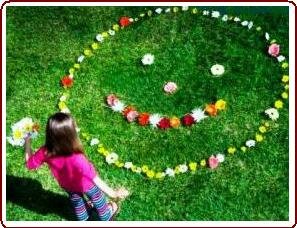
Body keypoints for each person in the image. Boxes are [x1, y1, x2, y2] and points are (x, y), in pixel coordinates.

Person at [24, 112, 129, 221]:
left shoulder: (45, 151)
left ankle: (84, 219)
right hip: (87, 185)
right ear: (71, 135)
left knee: (77, 202)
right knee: (97, 198)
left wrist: (27, 142)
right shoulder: (78, 158)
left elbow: (30, 164)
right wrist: (113, 193)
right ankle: (106, 216)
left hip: (67, 185)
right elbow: (95, 179)